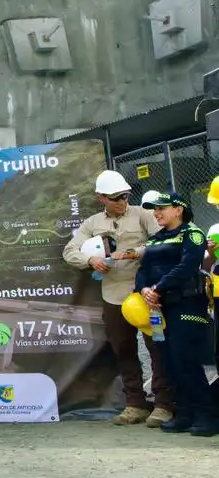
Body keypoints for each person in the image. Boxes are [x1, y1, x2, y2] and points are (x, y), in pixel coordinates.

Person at [62, 170, 171, 426]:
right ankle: (135, 403)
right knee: (122, 350)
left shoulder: (144, 214)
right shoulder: (91, 223)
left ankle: (164, 403)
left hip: (146, 294)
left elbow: (164, 242)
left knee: (157, 347)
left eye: (125, 196)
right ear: (101, 198)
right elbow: (69, 251)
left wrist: (137, 253)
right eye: (115, 197)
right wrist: (91, 260)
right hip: (113, 297)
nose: (122, 201)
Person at [136, 192, 214, 436]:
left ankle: (208, 416)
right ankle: (185, 414)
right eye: (154, 209)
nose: (156, 213)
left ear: (178, 210)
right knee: (168, 363)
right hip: (159, 309)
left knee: (186, 361)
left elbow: (187, 267)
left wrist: (158, 287)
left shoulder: (193, 233)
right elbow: (142, 271)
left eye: (162, 208)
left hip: (187, 306)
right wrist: (145, 289)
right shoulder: (154, 239)